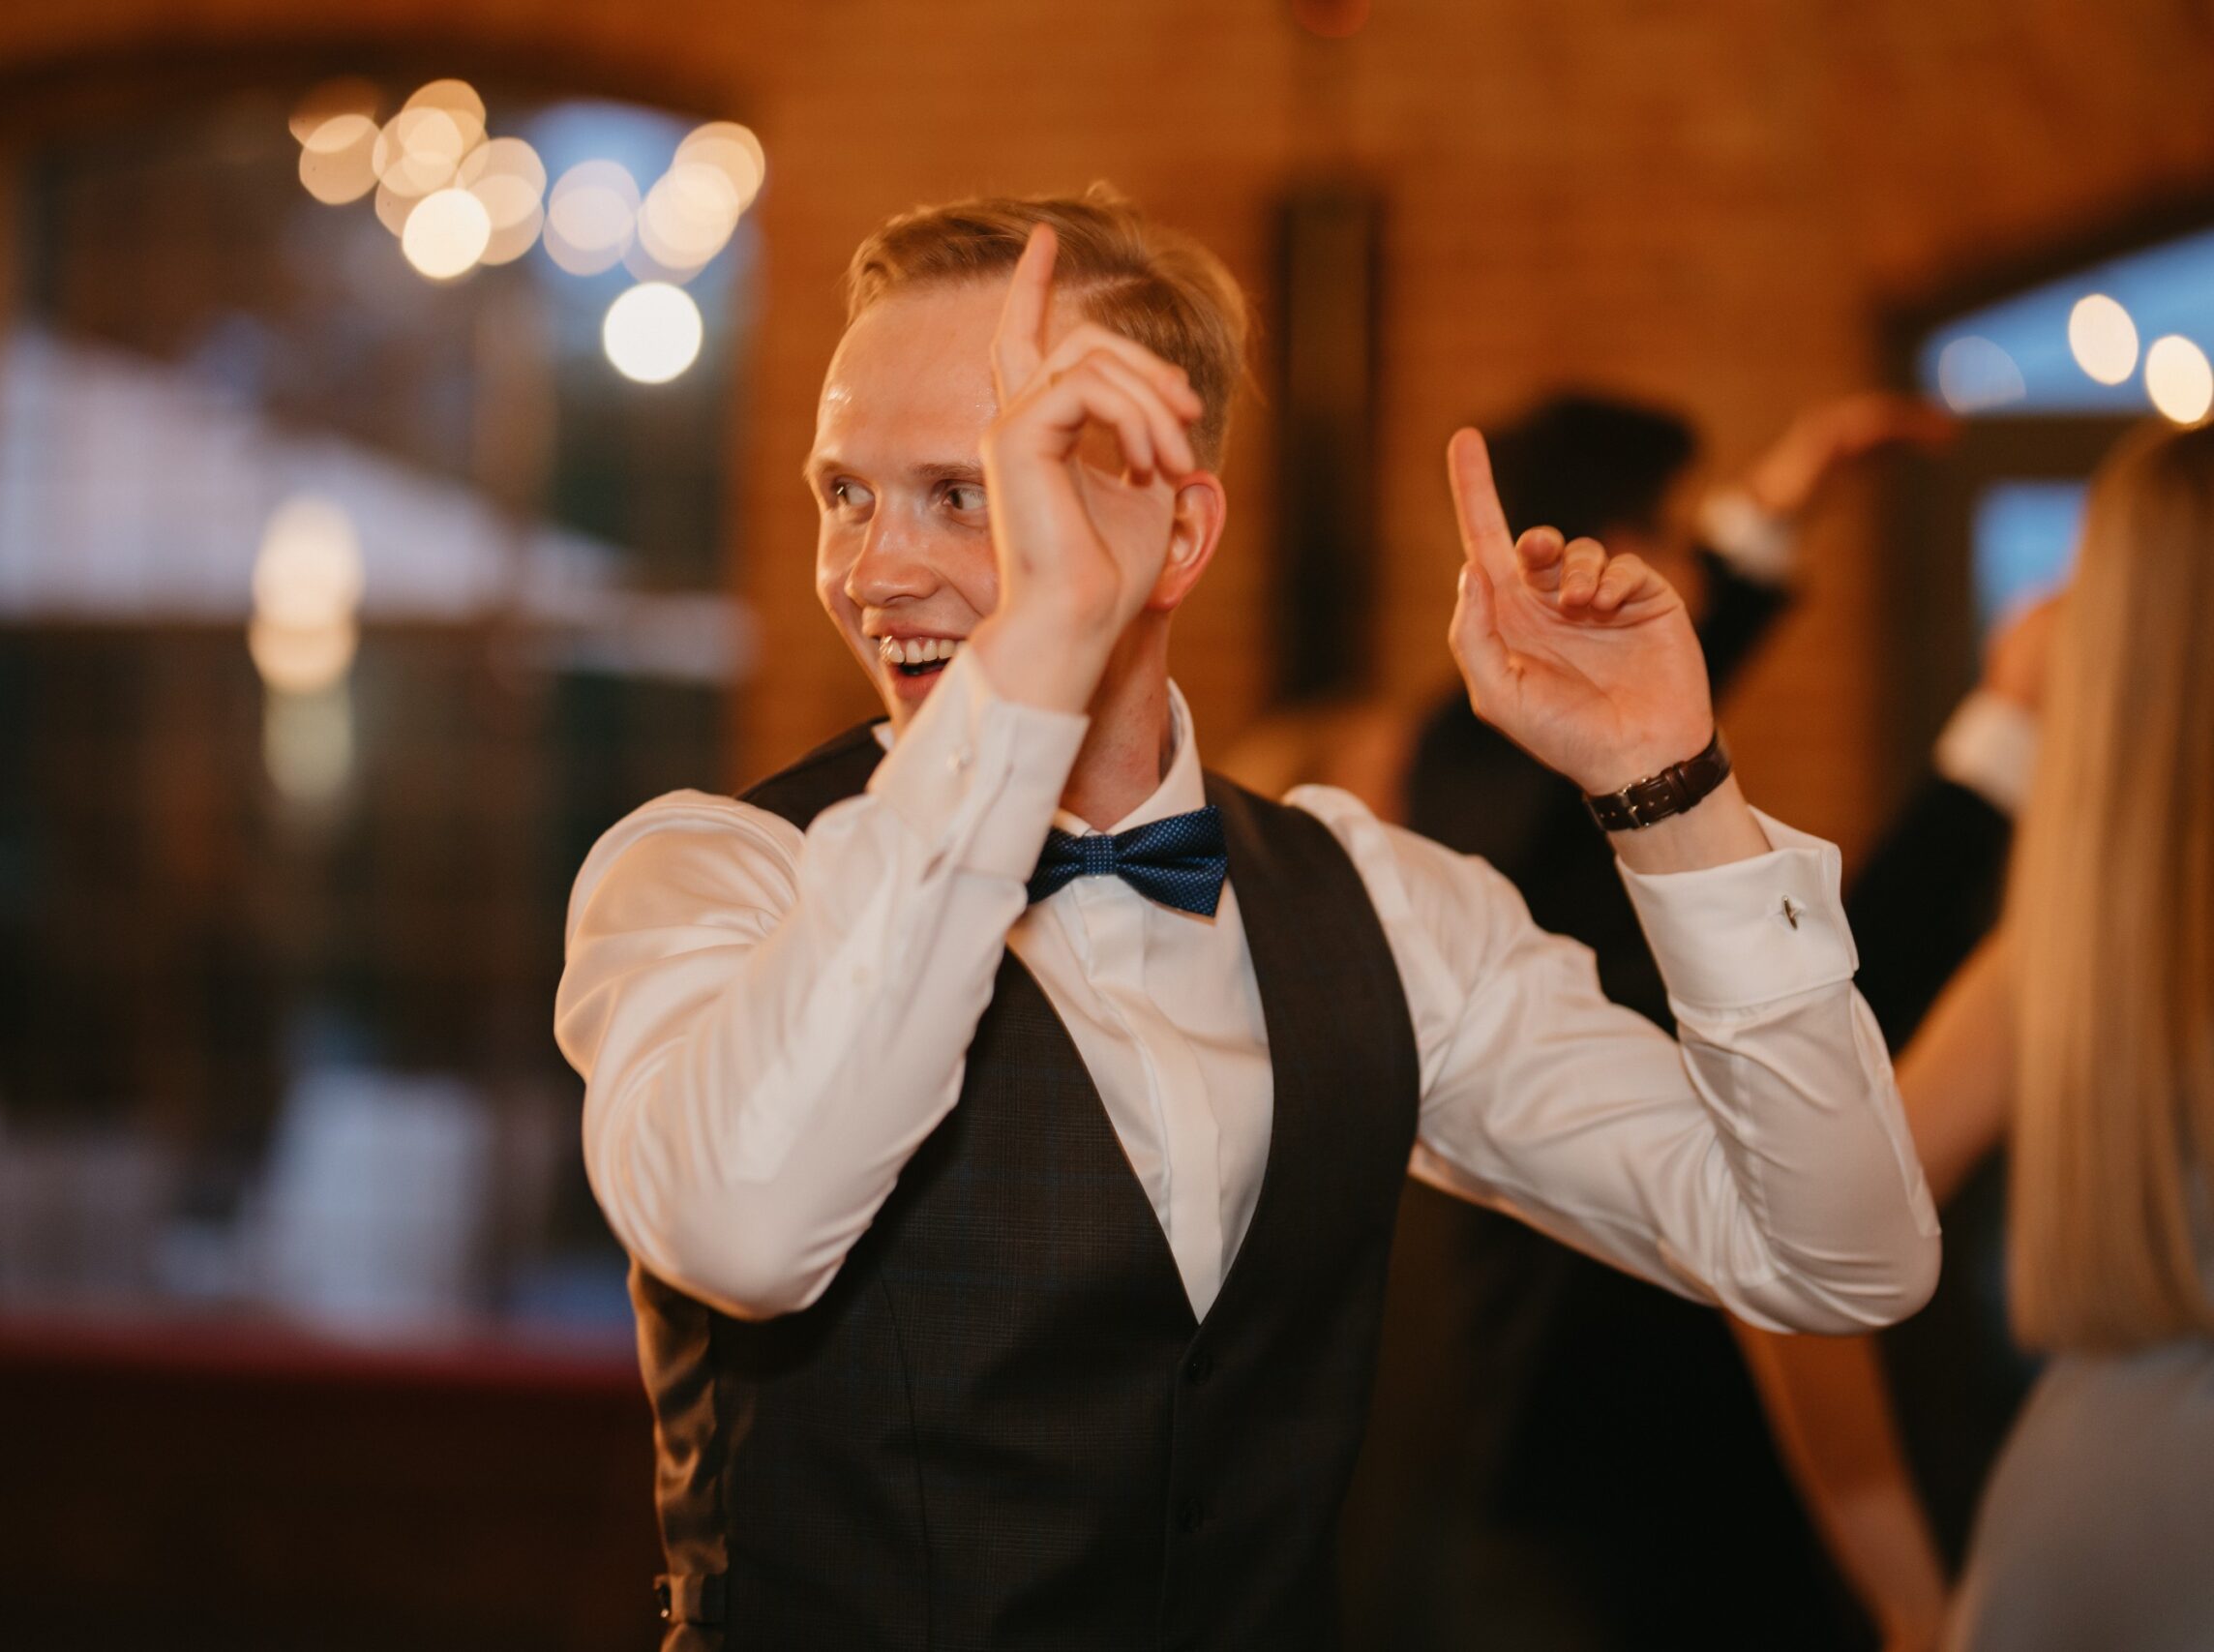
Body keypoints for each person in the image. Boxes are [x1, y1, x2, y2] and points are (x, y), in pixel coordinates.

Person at [554, 188, 1939, 1650]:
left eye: (964, 493)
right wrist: (1035, 647)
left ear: (1177, 535)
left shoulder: (1378, 910)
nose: (871, 568)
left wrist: (1670, 789)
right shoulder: (708, 876)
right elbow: (747, 1229)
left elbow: (1840, 1258)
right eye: (847, 493)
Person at [1337, 389, 1960, 1651]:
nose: (1700, 567)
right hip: (1580, 1405)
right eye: (1678, 530)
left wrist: (1785, 493)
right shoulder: (1479, 760)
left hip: (1664, 1374)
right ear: (1609, 538)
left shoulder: (1509, 753)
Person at [1750, 421, 2214, 1652]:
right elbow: (1789, 1263)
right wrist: (1904, 1592)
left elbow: (1787, 1264)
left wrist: (1905, 1591)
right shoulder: (2067, 954)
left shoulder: (2066, 956)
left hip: (2086, 1528)